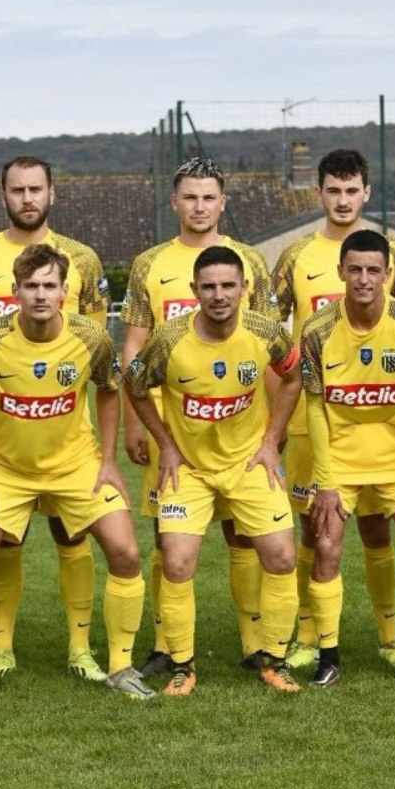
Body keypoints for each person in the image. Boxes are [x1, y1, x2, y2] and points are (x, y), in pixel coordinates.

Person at [0, 243, 152, 703]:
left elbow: (106, 390)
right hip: (4, 470)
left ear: (64, 291)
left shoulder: (92, 337)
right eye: (31, 286)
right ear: (16, 291)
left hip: (75, 465)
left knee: (125, 551)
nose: (41, 294)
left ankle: (120, 665)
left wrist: (106, 462)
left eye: (49, 286)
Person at [0, 156, 112, 682]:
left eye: (35, 189)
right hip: (5, 436)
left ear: (51, 193)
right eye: (16, 190)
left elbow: (91, 348)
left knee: (72, 536)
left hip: (68, 434)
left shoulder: (82, 257)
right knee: (7, 542)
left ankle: (81, 648)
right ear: (3, 195)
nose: (26, 198)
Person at [125, 245, 303, 696]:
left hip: (248, 464)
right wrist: (165, 443)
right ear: (194, 291)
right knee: (178, 563)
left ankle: (274, 661)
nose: (219, 295)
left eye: (228, 285)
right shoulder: (168, 339)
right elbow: (135, 384)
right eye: (209, 287)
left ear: (244, 288)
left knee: (282, 555)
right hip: (191, 470)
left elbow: (294, 375)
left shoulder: (265, 331)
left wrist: (270, 439)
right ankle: (184, 666)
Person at [120, 156, 274, 677]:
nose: (200, 206)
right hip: (174, 422)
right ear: (175, 203)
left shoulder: (249, 261)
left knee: (245, 535)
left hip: (239, 420)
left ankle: (256, 643)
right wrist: (134, 422)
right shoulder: (149, 264)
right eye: (190, 197)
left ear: (223, 202)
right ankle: (168, 646)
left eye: (209, 197)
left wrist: (273, 434)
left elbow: (271, 348)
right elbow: (136, 342)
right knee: (170, 538)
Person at [271, 149, 395, 671]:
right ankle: (310, 632)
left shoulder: (391, 251)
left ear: (367, 193)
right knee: (316, 527)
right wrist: (276, 422)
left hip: (378, 418)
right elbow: (272, 339)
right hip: (316, 419)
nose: (344, 199)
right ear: (320, 193)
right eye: (334, 190)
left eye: (353, 191)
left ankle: (390, 635)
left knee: (378, 529)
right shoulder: (295, 257)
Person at [299, 230, 395, 687]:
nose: (363, 279)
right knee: (326, 547)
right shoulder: (317, 329)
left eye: (373, 270)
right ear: (341, 271)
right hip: (339, 458)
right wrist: (324, 480)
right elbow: (316, 407)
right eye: (354, 269)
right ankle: (328, 656)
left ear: (388, 274)